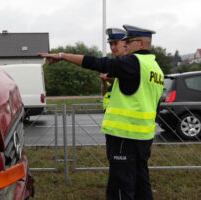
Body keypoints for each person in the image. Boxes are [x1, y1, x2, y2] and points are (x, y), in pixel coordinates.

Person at [39, 24, 164, 200]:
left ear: (141, 44)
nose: (125, 44)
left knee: (120, 188)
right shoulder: (155, 68)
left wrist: (63, 56)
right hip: (143, 138)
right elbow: (153, 105)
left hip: (124, 136)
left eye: (128, 41)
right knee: (142, 184)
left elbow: (98, 63)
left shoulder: (134, 62)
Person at [101, 28, 127, 111]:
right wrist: (104, 81)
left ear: (125, 43)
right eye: (110, 44)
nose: (112, 47)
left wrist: (110, 79)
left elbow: (128, 85)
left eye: (115, 44)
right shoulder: (112, 65)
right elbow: (105, 93)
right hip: (110, 114)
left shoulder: (132, 63)